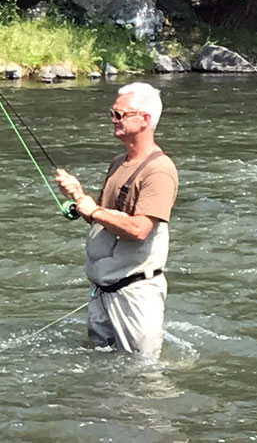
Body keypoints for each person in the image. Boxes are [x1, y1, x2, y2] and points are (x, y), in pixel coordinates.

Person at [55, 82, 179, 357]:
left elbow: (139, 229)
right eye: (113, 113)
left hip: (135, 295)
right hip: (103, 291)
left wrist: (94, 210)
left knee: (141, 380)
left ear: (144, 119)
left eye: (119, 115)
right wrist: (79, 197)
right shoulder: (118, 163)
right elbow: (106, 220)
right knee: (103, 368)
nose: (113, 120)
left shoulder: (159, 171)